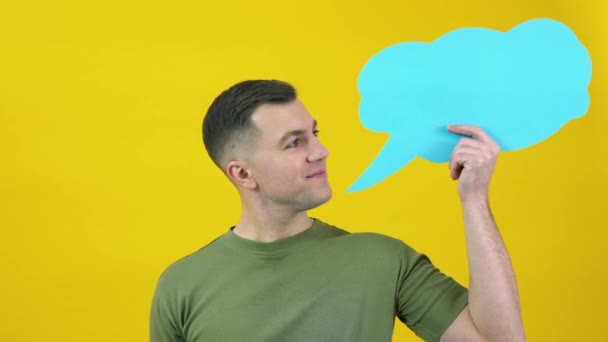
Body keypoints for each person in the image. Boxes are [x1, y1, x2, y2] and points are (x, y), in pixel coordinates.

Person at [150, 80, 525, 342]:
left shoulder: (382, 259)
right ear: (243, 173)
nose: (320, 151)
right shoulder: (181, 286)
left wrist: (473, 199)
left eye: (315, 133)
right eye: (294, 143)